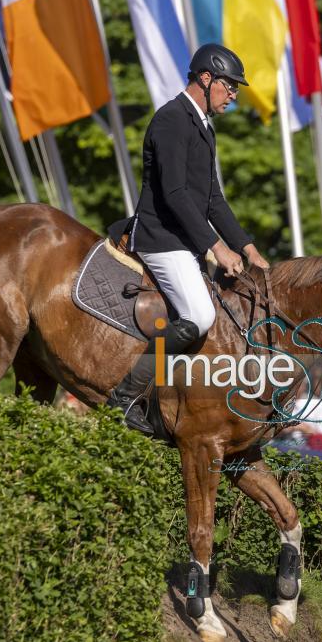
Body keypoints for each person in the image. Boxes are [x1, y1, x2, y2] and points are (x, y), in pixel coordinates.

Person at [108, 43, 269, 434]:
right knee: (199, 316)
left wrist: (248, 248)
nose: (234, 95)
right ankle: (125, 397)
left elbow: (213, 198)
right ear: (206, 77)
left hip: (183, 240)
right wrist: (217, 248)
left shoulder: (202, 126)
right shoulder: (171, 120)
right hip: (161, 238)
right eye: (230, 86)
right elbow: (175, 194)